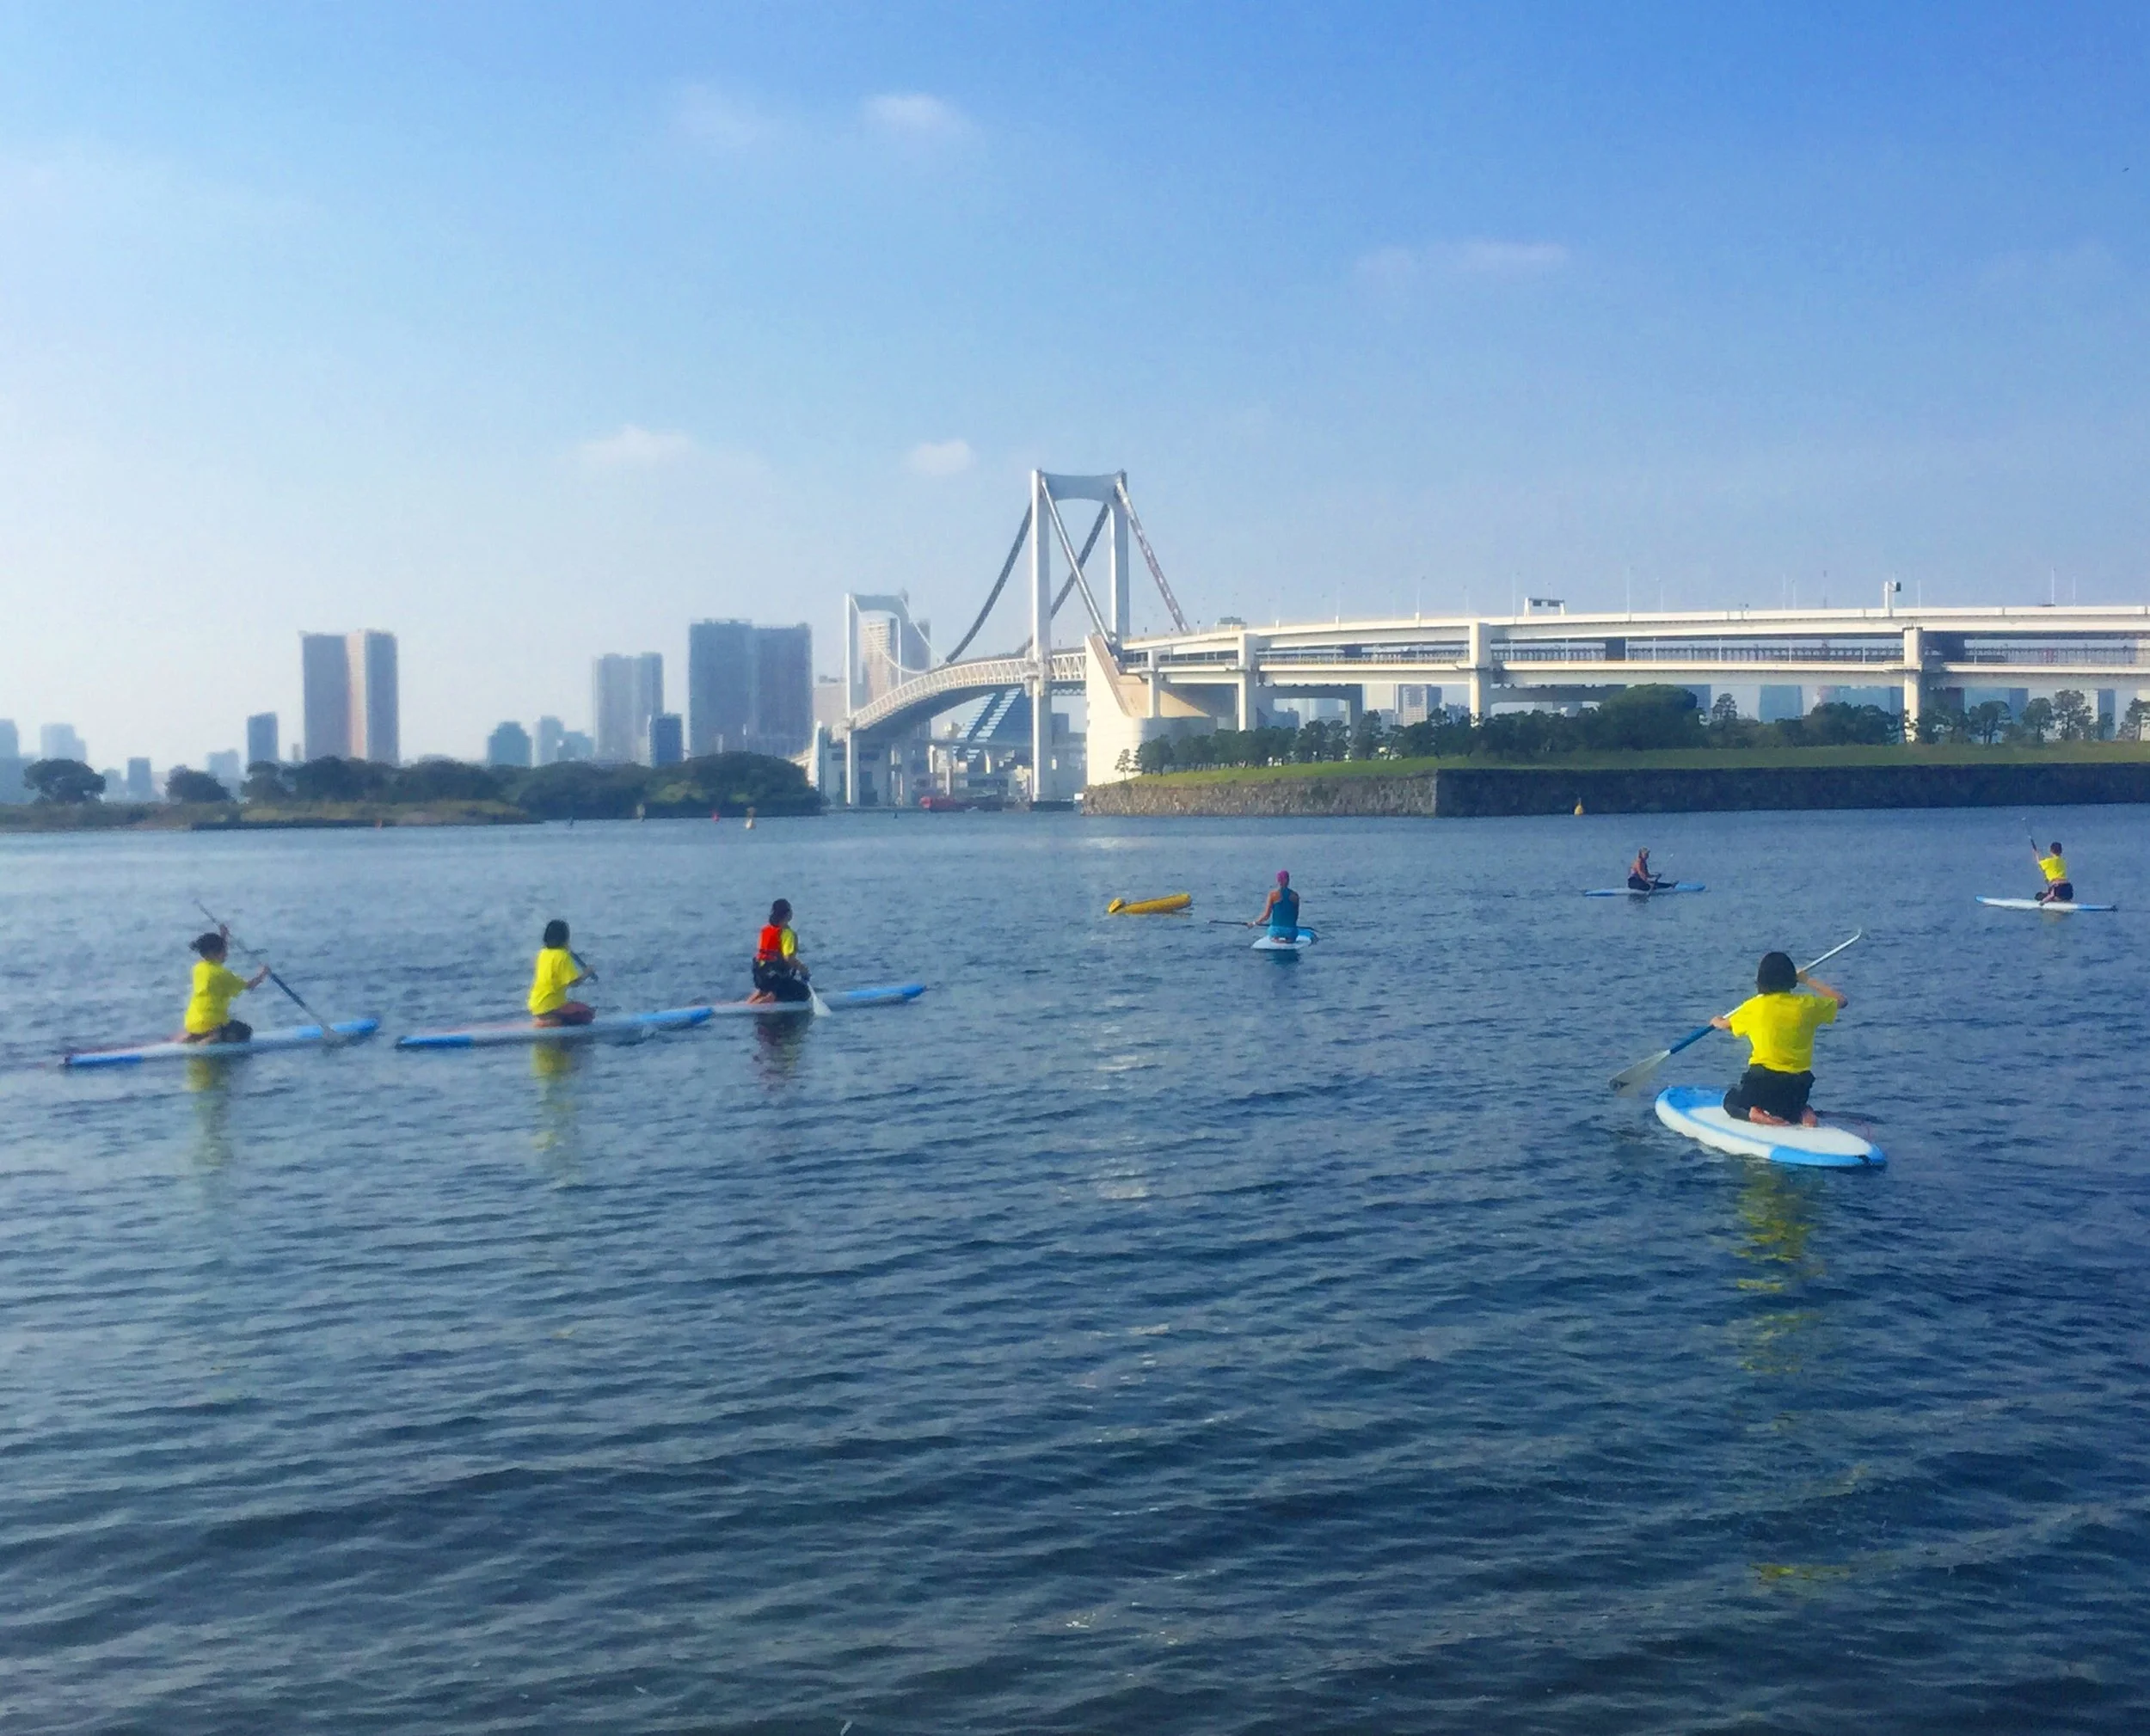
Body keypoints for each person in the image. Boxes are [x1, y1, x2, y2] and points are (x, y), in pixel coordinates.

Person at [1710, 949, 1848, 1127]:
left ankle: (1755, 1114)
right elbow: (1841, 1001)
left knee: (1731, 1101)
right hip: (1798, 1088)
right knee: (1791, 1104)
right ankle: (1802, 1112)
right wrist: (1807, 979)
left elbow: (1725, 1025)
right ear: (1792, 980)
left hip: (1762, 1085)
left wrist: (1716, 1021)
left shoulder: (1754, 1007)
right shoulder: (1807, 1005)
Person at [179, 928, 270, 1044]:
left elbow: (215, 956)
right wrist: (263, 974)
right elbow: (249, 986)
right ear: (215, 953)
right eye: (224, 951)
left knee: (204, 1025)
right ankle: (212, 1038)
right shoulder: (223, 974)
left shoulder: (198, 968)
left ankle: (193, 1037)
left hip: (192, 1021)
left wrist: (223, 938)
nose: (227, 953)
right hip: (210, 1022)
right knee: (245, 1031)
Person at [528, 919, 594, 1027]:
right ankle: (552, 1022)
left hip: (536, 1004)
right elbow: (574, 983)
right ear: (565, 939)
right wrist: (586, 973)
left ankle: (544, 1019)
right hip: (551, 1006)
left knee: (573, 1006)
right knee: (587, 1013)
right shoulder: (562, 956)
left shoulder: (543, 953)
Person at [747, 899, 812, 1003]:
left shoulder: (766, 930)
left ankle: (747, 1004)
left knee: (762, 990)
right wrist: (803, 969)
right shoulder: (787, 933)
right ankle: (759, 1004)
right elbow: (788, 958)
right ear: (787, 914)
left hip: (759, 973)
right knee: (804, 993)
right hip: (775, 977)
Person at [1250, 870, 1300, 939]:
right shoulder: (1295, 896)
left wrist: (1254, 923)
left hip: (1276, 931)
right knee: (1291, 931)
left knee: (1274, 931)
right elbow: (1295, 916)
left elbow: (1266, 915)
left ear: (1278, 880)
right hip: (1290, 931)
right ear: (1288, 880)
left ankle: (1276, 939)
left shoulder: (1272, 895)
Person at [2034, 840, 2074, 905]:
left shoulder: (2048, 862)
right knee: (2052, 893)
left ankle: (2054, 900)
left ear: (2051, 851)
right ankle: (2063, 900)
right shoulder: (2063, 861)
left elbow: (2039, 863)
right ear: (2061, 851)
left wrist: (2036, 853)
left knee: (2038, 896)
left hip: (2058, 889)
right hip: (2069, 889)